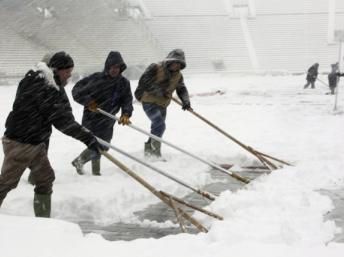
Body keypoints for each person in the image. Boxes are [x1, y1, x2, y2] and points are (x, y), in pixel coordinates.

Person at [0, 52, 103, 217]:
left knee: (45, 179)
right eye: (67, 71)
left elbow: (63, 112)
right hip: (21, 143)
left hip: (34, 142)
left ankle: (43, 222)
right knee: (6, 184)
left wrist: (86, 135)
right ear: (57, 69)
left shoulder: (46, 82)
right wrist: (88, 138)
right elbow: (61, 120)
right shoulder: (43, 87)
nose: (70, 75)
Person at [71, 51, 133, 175]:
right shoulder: (96, 78)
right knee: (98, 145)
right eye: (112, 67)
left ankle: (87, 166)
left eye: (117, 67)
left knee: (104, 146)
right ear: (107, 66)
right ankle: (92, 169)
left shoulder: (123, 83)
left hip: (108, 120)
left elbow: (127, 100)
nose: (115, 70)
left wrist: (126, 113)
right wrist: (88, 102)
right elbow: (76, 91)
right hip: (92, 118)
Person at [134, 49, 192, 158]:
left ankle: (149, 150)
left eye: (180, 64)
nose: (177, 66)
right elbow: (144, 82)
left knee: (157, 127)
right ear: (170, 61)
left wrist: (186, 101)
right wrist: (160, 92)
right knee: (159, 124)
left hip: (163, 104)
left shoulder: (178, 76)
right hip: (149, 101)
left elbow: (181, 89)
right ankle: (155, 153)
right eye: (176, 63)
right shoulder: (155, 67)